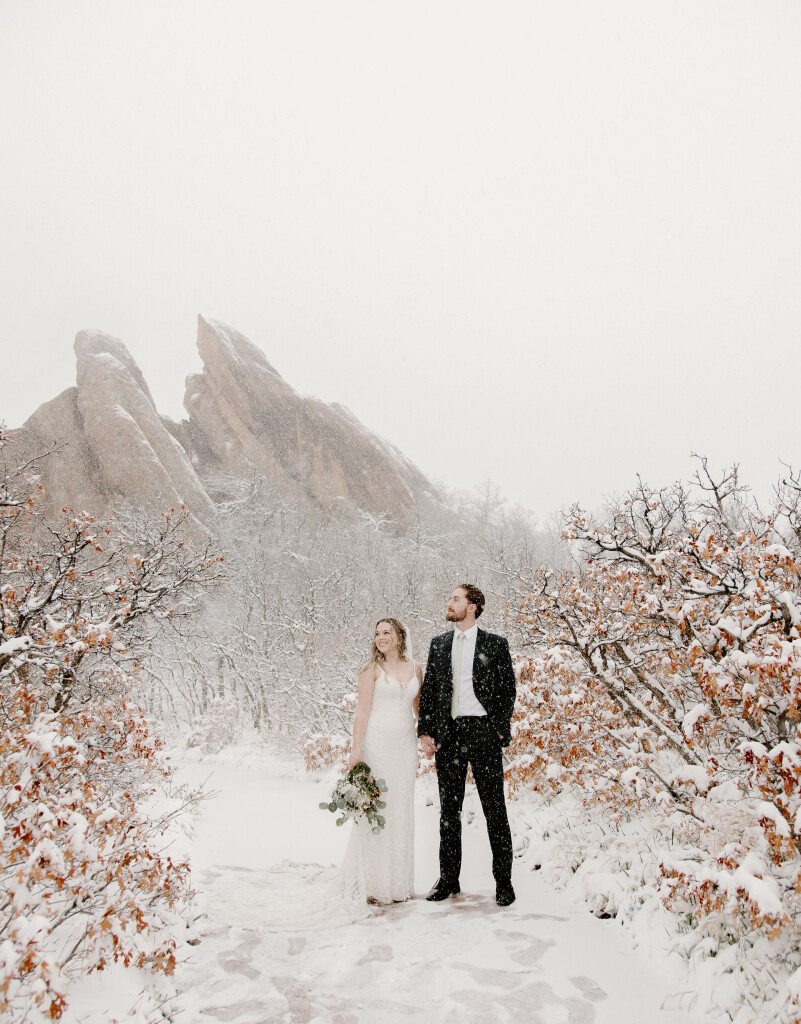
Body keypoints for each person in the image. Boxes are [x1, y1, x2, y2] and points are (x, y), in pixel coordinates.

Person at [418, 584, 517, 907]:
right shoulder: (439, 644)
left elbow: (507, 689)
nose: (449, 603)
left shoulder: (495, 644)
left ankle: (504, 882)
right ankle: (448, 880)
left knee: (494, 810)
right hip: (449, 735)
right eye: (450, 598)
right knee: (449, 812)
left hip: (484, 733)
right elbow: (430, 691)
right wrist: (426, 731)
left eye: (456, 599)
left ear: (472, 607)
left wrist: (499, 729)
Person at [345, 618, 422, 904]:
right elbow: (362, 711)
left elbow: (419, 710)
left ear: (400, 636)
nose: (381, 637)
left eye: (387, 632)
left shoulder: (416, 669)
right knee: (379, 807)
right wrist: (355, 749)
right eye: (377, 633)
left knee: (401, 807)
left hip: (405, 746)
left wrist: (428, 738)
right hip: (377, 744)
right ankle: (375, 883)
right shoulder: (371, 669)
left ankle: (398, 882)